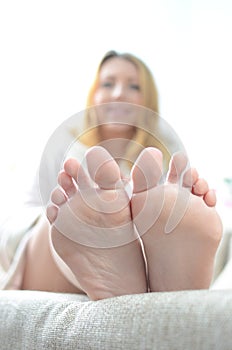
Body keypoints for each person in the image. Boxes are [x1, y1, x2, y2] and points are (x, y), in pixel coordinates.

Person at [0, 51, 222, 300]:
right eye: (108, 83)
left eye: (134, 86)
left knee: (160, 213)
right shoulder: (65, 145)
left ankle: (141, 271)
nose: (118, 93)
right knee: (64, 219)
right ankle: (102, 252)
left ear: (147, 101)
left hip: (139, 254)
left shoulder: (164, 157)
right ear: (94, 94)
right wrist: (62, 212)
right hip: (43, 255)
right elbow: (15, 218)